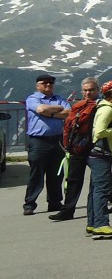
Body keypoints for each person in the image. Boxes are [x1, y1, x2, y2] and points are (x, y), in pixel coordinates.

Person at [50, 77, 100, 221]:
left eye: (91, 90)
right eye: (85, 90)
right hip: (78, 147)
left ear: (97, 90)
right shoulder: (80, 106)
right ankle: (68, 210)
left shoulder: (102, 106)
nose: (88, 93)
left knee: (102, 176)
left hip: (95, 146)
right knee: (73, 179)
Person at [23, 73, 69, 215]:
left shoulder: (59, 98)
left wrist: (51, 113)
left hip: (57, 140)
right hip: (39, 141)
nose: (48, 85)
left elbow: (68, 112)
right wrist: (58, 109)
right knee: (36, 174)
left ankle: (55, 202)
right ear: (38, 86)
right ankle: (30, 204)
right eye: (44, 83)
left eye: (50, 83)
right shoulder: (33, 99)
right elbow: (41, 109)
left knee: (56, 174)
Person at [86, 80, 112, 239]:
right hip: (100, 155)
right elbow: (99, 132)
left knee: (95, 190)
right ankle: (101, 225)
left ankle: (92, 223)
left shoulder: (107, 107)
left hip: (97, 154)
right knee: (102, 190)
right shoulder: (107, 109)